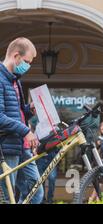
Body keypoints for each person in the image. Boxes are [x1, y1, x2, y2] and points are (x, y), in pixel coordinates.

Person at [0, 38, 43, 204]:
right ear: (16, 55)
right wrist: (26, 131)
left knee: (36, 192)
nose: (28, 66)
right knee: (8, 196)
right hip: (7, 146)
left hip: (21, 146)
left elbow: (15, 112)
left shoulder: (15, 79)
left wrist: (28, 110)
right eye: (26, 61)